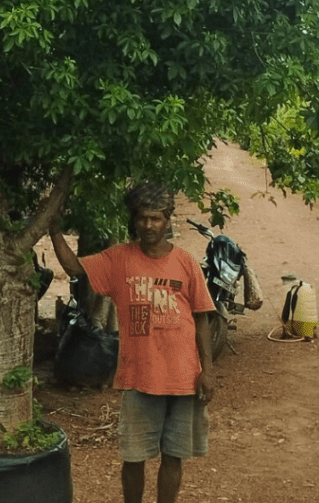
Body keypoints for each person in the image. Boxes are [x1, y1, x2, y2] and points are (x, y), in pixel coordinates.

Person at [49, 181, 215, 503]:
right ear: (134, 219)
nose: (148, 225)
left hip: (184, 377)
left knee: (173, 456)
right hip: (140, 376)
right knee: (133, 457)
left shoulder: (186, 262)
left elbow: (202, 317)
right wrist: (54, 227)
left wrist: (207, 370)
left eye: (156, 218)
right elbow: (73, 267)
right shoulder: (119, 259)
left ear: (168, 220)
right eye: (142, 217)